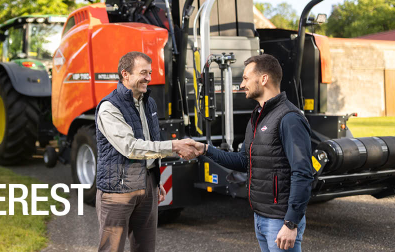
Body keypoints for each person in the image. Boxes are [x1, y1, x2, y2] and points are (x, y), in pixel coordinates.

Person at [194, 54, 314, 252]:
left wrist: (291, 223)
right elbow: (244, 161)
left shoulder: (289, 118)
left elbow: (302, 173)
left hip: (281, 221)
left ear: (264, 79)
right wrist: (206, 150)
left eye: (246, 78)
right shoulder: (258, 117)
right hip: (261, 217)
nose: (242, 84)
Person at [95, 51, 202, 252]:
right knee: (112, 249)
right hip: (118, 191)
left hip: (148, 187)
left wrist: (156, 181)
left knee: (145, 248)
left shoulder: (148, 102)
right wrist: (174, 146)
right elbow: (131, 147)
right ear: (125, 74)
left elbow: (151, 143)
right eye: (143, 72)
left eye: (150, 72)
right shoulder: (109, 107)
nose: (149, 78)